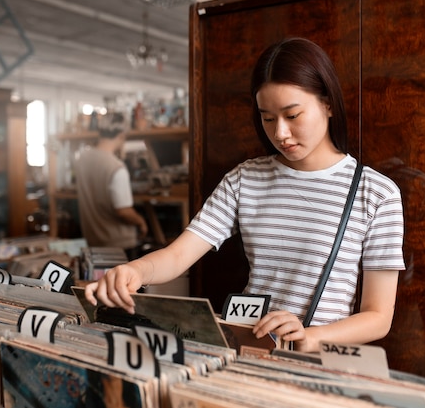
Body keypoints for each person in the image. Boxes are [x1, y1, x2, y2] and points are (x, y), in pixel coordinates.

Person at [85, 37, 405, 353]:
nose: (280, 133)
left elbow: (378, 317)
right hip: (246, 352)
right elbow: (179, 255)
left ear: (328, 104)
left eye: (292, 115)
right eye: (267, 118)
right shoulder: (245, 178)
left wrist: (311, 337)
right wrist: (135, 271)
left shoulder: (375, 194)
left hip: (315, 365)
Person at [74, 111, 148, 260]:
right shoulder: (116, 166)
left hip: (92, 241)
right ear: (122, 135)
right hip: (118, 245)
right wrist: (141, 222)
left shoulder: (82, 159)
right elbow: (122, 210)